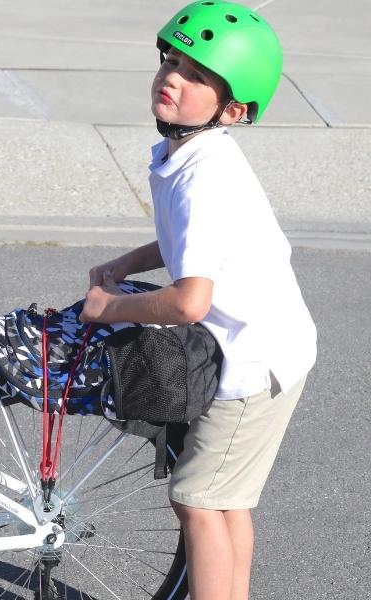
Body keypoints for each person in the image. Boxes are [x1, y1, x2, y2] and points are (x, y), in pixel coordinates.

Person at [77, 3, 317, 599]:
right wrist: (129, 264)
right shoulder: (194, 156)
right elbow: (188, 242)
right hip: (271, 348)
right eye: (172, 60)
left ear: (234, 110)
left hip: (253, 362)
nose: (173, 77)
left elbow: (188, 302)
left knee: (198, 501)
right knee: (228, 502)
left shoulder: (205, 175)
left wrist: (110, 306)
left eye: (196, 75)